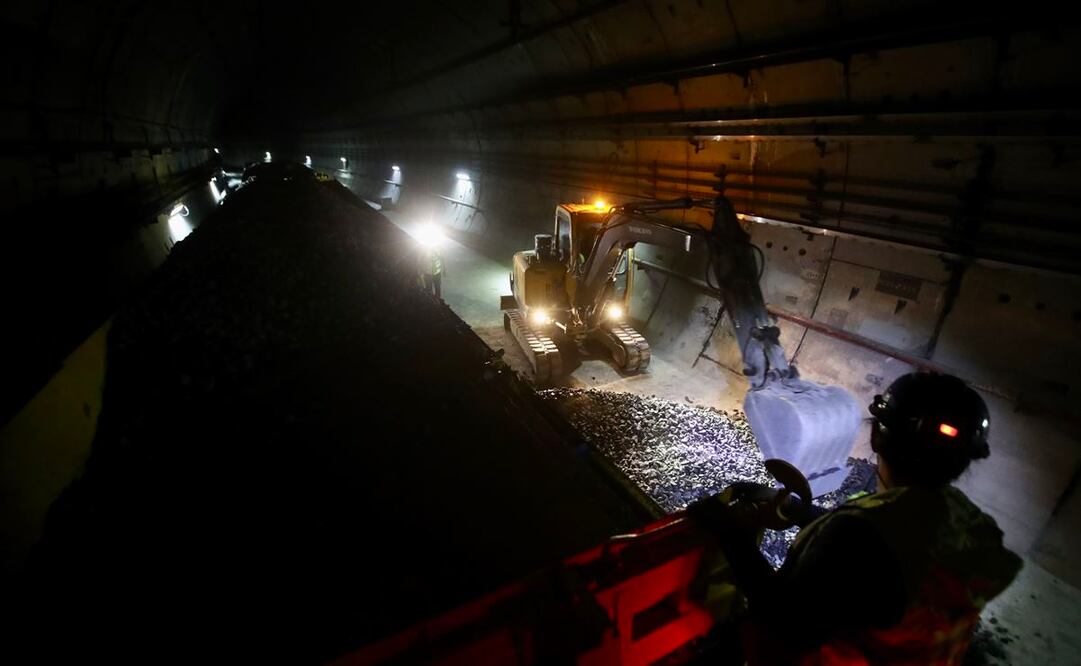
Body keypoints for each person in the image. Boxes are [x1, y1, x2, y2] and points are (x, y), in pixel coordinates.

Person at [695, 372, 1022, 665]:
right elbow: (887, 548)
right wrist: (798, 510)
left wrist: (731, 533)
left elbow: (786, 622)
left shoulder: (857, 535)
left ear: (879, 436)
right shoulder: (967, 522)